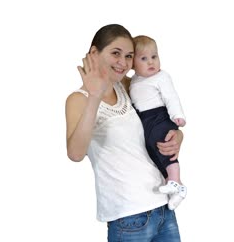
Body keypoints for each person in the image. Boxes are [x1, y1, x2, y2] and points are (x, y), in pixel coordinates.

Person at [65, 24, 183, 241]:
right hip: (128, 217)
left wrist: (178, 136)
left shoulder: (129, 86)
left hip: (163, 207)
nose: (123, 63)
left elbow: (159, 116)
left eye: (129, 56)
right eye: (115, 53)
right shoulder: (78, 99)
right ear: (94, 53)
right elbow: (75, 153)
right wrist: (95, 96)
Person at [129, 35, 187, 211]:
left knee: (165, 145)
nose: (150, 62)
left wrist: (178, 116)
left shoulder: (161, 76)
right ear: (133, 64)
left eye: (154, 56)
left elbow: (171, 97)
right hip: (145, 120)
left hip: (160, 116)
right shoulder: (133, 81)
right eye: (144, 58)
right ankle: (175, 188)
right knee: (153, 150)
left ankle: (175, 181)